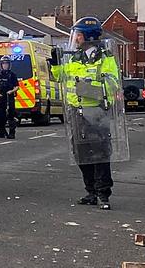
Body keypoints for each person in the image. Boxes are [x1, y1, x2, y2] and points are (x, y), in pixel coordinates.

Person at [50, 17, 122, 210]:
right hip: (76, 112)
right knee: (80, 152)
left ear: (88, 37)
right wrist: (55, 63)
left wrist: (87, 88)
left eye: (79, 35)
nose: (76, 39)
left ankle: (103, 193)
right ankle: (90, 190)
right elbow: (60, 77)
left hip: (97, 112)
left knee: (100, 153)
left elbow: (112, 84)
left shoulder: (105, 58)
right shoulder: (75, 57)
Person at [0, 55, 19, 139]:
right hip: (0, 97)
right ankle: (1, 132)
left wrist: (11, 91)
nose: (5, 65)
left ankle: (12, 133)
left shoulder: (12, 75)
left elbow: (17, 86)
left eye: (7, 64)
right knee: (1, 115)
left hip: (9, 97)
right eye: (4, 64)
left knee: (10, 115)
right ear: (1, 65)